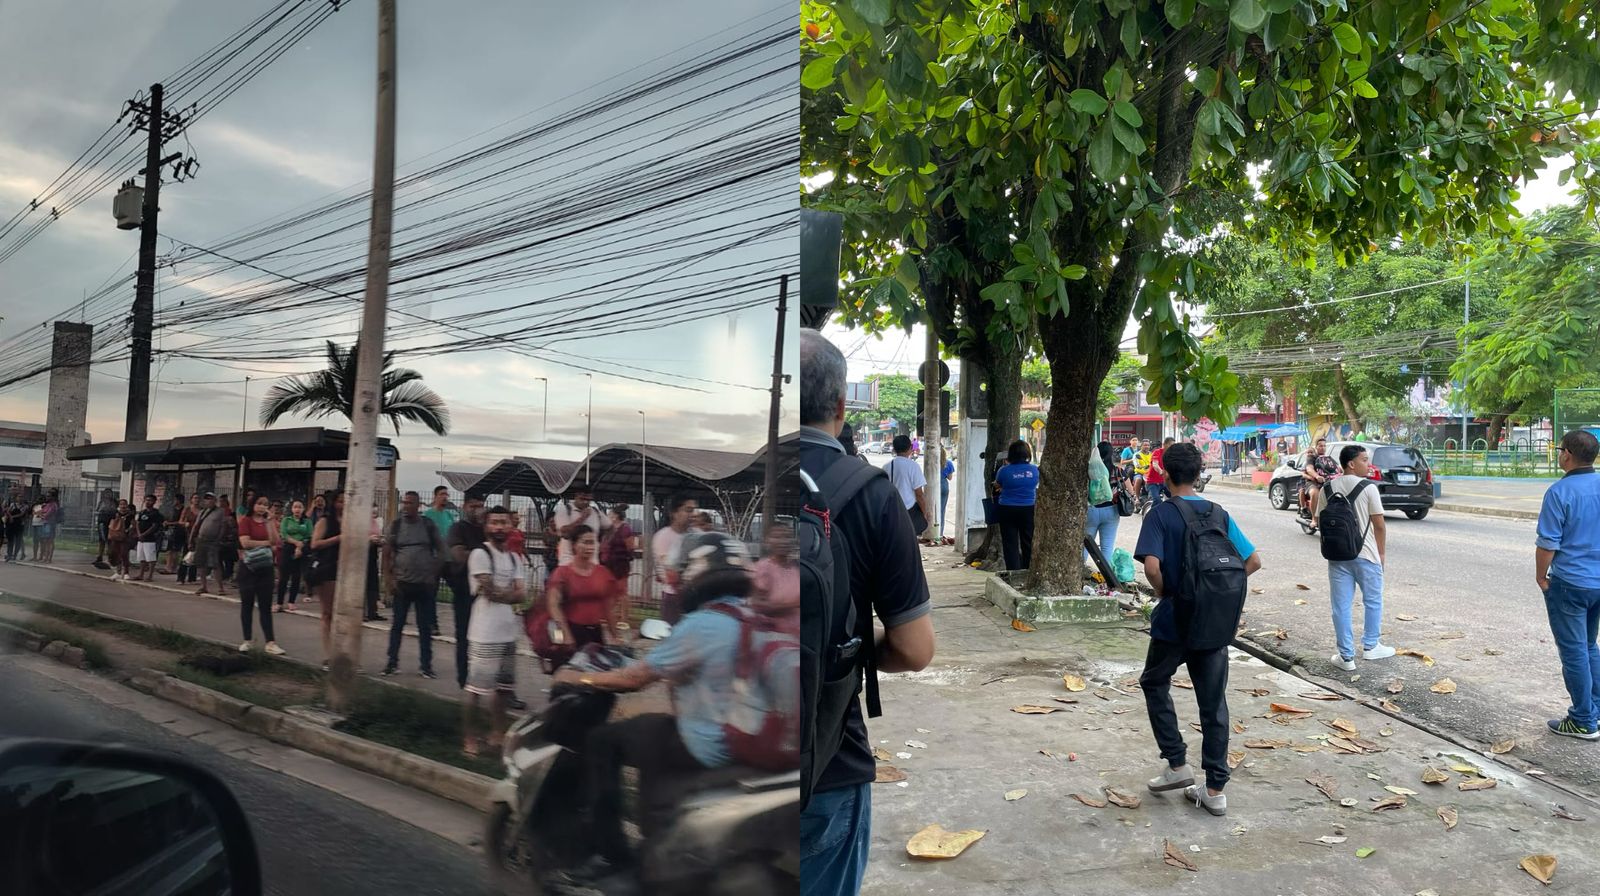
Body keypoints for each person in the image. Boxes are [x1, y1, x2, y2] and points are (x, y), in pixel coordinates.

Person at [799, 328, 934, 896]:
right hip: (826, 760)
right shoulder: (868, 493)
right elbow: (914, 648)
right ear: (840, 405)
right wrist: (849, 652)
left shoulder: (718, 481)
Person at [551, 532, 764, 882]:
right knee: (652, 729)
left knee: (602, 741)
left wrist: (580, 680)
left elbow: (635, 679)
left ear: (696, 575)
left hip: (707, 742)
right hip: (749, 740)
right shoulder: (753, 617)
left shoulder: (700, 624)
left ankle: (610, 854)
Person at [1135, 443, 1262, 817]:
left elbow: (1152, 566)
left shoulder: (1160, 514)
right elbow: (1252, 561)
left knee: (1155, 681)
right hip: (1213, 624)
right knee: (1213, 702)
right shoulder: (1219, 513)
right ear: (1198, 473)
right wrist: (1215, 594)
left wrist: (1167, 592)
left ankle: (1177, 763)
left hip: (1174, 621)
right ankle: (1215, 789)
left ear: (1165, 473)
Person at [1535, 430, 1600, 740]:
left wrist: (1541, 576)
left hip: (1571, 583)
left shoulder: (1559, 492)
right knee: (1589, 646)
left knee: (1574, 651)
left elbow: (1548, 544)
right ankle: (1595, 709)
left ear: (1567, 455)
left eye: (1560, 449)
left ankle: (1583, 720)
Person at [1319, 444, 1394, 671]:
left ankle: (1346, 657)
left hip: (1337, 556)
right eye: (1364, 460)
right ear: (1351, 463)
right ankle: (1371, 647)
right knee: (1372, 601)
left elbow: (1321, 521)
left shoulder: (1327, 488)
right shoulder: (1368, 488)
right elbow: (1379, 526)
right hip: (1367, 555)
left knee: (1340, 607)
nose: (1367, 464)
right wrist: (1381, 553)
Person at [462, 505, 528, 757]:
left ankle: (497, 735)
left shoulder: (514, 557)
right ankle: (469, 738)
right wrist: (510, 595)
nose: (499, 527)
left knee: (503, 689)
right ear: (486, 526)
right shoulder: (480, 555)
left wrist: (505, 595)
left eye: (504, 522)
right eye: (495, 522)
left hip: (508, 632)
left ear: (511, 526)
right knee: (476, 688)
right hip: (484, 632)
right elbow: (492, 592)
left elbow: (523, 593)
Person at [383, 491, 443, 679]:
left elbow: (441, 550)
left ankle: (426, 666)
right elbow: (386, 553)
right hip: (402, 584)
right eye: (404, 502)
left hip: (424, 585)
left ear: (418, 505)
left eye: (410, 503)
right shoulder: (397, 525)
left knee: (424, 627)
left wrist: (434, 574)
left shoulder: (427, 525)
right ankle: (392, 663)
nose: (406, 506)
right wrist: (389, 580)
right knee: (397, 626)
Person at [547, 525, 624, 657]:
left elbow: (608, 608)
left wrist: (615, 636)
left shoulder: (602, 573)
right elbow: (553, 605)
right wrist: (565, 634)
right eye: (585, 542)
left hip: (595, 633)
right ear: (574, 545)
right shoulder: (562, 573)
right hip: (572, 630)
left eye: (592, 542)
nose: (590, 547)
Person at [445, 494, 489, 689]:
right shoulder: (458, 528)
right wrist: (484, 555)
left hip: (485, 592)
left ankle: (483, 677)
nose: (477, 509)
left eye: (480, 506)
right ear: (464, 507)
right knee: (464, 635)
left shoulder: (486, 530)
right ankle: (464, 678)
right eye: (473, 506)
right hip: (464, 590)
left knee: (485, 636)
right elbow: (459, 555)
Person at [235, 495, 285, 656]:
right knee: (247, 604)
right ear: (252, 505)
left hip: (266, 568)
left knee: (265, 605)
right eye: (259, 503)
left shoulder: (268, 522)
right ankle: (247, 640)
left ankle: (270, 642)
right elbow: (245, 542)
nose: (262, 507)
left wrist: (270, 522)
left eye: (265, 504)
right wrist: (265, 544)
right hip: (248, 568)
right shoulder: (246, 521)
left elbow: (276, 541)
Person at [310, 490, 347, 671]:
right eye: (340, 501)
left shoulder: (348, 521)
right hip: (327, 568)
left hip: (345, 569)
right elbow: (315, 543)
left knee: (343, 614)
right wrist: (337, 539)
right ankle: (329, 655)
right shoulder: (325, 521)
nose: (343, 504)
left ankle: (343, 653)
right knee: (328, 613)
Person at [992, 440, 1040, 572]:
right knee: (1028, 540)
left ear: (1011, 454)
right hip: (1028, 509)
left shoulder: (1003, 471)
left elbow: (997, 484)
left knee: (1010, 542)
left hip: (1007, 509)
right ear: (1027, 453)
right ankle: (1028, 570)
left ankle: (1013, 572)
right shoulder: (1034, 470)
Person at [652, 495, 696, 624]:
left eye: (693, 510)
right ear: (674, 513)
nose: (692, 514)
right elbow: (671, 572)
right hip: (674, 597)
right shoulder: (663, 537)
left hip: (694, 596)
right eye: (688, 510)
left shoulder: (696, 535)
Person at [751, 524, 799, 635]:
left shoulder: (796, 569)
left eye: (787, 536)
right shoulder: (762, 568)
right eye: (777, 537)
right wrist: (794, 605)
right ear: (767, 541)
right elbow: (758, 606)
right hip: (773, 639)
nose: (783, 541)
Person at [886, 434, 932, 538]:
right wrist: (924, 513)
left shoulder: (886, 466)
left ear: (894, 449)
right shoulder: (913, 466)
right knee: (909, 540)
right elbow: (919, 494)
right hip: (909, 511)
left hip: (892, 510)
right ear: (910, 448)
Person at [554, 484, 609, 567]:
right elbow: (565, 532)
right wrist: (582, 518)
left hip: (592, 564)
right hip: (568, 563)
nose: (585, 502)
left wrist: (604, 544)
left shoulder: (595, 512)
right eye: (582, 499)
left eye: (588, 500)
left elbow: (611, 527)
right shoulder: (565, 510)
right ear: (576, 496)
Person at [600, 505, 638, 624]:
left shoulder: (625, 529)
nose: (609, 516)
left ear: (616, 516)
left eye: (610, 514)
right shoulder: (610, 529)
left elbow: (630, 547)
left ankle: (624, 618)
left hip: (620, 564)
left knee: (622, 592)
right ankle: (610, 615)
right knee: (610, 591)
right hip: (608, 563)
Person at [1086, 442, 1121, 573]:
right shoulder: (1117, 471)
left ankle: (1080, 573)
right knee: (1107, 546)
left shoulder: (1089, 470)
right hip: (1111, 511)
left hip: (1091, 510)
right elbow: (1129, 489)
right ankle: (1106, 577)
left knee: (1086, 543)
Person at [277, 499, 313, 612]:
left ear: (303, 509)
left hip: (302, 549)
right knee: (283, 576)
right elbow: (283, 534)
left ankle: (291, 602)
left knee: (296, 576)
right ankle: (279, 602)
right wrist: (295, 543)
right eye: (295, 507)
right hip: (288, 548)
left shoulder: (307, 521)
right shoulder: (286, 520)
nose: (297, 509)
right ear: (292, 509)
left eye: (300, 507)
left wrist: (300, 546)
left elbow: (309, 535)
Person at [1300, 437, 1342, 532]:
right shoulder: (1311, 457)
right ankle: (1315, 519)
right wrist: (1317, 476)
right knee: (1315, 493)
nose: (1322, 448)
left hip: (1327, 481)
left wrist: (1345, 473)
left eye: (1324, 446)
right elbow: (1309, 469)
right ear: (1316, 447)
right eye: (1320, 446)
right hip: (1313, 482)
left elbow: (1338, 468)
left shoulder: (1328, 458)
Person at [192, 493, 230, 596]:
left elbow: (223, 526)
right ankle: (203, 586)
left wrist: (219, 539)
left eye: (210, 499)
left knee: (215, 564)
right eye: (206, 499)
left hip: (212, 541)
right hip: (201, 539)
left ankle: (220, 588)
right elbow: (196, 526)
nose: (208, 501)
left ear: (214, 500)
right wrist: (191, 539)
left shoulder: (220, 512)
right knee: (201, 564)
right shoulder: (202, 512)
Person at [133, 494, 164, 583]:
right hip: (141, 539)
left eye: (150, 500)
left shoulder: (155, 513)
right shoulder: (142, 512)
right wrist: (139, 534)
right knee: (141, 558)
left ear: (154, 502)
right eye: (146, 500)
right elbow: (138, 523)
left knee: (150, 558)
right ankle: (141, 574)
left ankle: (150, 575)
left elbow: (154, 526)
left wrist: (144, 534)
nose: (148, 502)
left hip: (150, 539)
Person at [364, 502, 387, 623]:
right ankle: (363, 612)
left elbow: (379, 534)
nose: (374, 514)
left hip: (373, 553)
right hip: (363, 554)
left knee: (373, 584)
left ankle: (373, 611)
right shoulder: (362, 522)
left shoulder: (375, 523)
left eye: (375, 512)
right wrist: (369, 539)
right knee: (364, 583)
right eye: (372, 511)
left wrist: (380, 540)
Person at [105, 499, 134, 582]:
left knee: (124, 554)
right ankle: (118, 571)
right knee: (116, 553)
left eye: (124, 504)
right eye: (121, 504)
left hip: (125, 536)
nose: (123, 506)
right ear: (119, 506)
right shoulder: (115, 513)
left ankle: (126, 572)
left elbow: (133, 524)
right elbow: (111, 524)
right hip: (115, 536)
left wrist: (128, 531)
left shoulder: (130, 515)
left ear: (127, 505)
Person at [174, 494, 200, 583]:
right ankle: (181, 577)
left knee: (195, 556)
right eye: (195, 498)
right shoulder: (187, 509)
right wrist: (185, 523)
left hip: (198, 535)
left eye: (198, 498)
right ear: (191, 500)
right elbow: (180, 521)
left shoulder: (201, 510)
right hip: (188, 534)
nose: (196, 500)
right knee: (186, 555)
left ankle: (192, 577)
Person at [160, 493, 188, 575]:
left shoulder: (183, 510)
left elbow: (181, 521)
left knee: (175, 551)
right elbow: (168, 518)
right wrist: (166, 522)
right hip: (171, 531)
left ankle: (172, 568)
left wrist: (170, 523)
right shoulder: (173, 509)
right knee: (169, 550)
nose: (174, 501)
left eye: (175, 500)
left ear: (179, 501)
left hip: (179, 531)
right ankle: (168, 567)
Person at [216, 494, 238, 584]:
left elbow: (232, 525)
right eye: (220, 501)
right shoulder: (218, 512)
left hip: (229, 539)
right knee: (218, 559)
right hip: (220, 538)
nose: (221, 503)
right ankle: (223, 575)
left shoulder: (230, 512)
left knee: (229, 560)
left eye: (223, 501)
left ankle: (228, 574)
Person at [1146, 437, 1175, 505]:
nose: (1171, 447)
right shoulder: (1157, 452)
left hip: (1164, 482)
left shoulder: (1172, 455)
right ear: (1164, 444)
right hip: (1153, 482)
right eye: (1170, 445)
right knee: (1157, 500)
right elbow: (1155, 464)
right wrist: (1160, 471)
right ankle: (1153, 515)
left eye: (1173, 446)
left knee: (1176, 497)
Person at [92, 489, 116, 569]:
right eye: (106, 493)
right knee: (102, 540)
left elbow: (114, 511)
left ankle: (110, 558)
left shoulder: (114, 502)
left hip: (111, 522)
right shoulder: (101, 502)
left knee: (109, 540)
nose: (108, 495)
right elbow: (97, 510)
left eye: (109, 493)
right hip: (102, 522)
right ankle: (99, 557)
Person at [4, 489, 27, 563]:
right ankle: (9, 554)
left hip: (19, 524)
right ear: (16, 498)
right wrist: (9, 516)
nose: (20, 498)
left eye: (22, 497)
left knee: (18, 541)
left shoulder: (24, 506)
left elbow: (21, 514)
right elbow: (8, 511)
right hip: (11, 524)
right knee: (10, 540)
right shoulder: (12, 504)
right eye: (19, 497)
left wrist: (12, 517)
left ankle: (15, 554)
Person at [938, 448, 955, 540]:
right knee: (942, 510)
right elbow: (950, 478)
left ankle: (932, 531)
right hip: (944, 485)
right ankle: (940, 533)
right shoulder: (948, 463)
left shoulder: (933, 462)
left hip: (934, 485)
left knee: (933, 509)